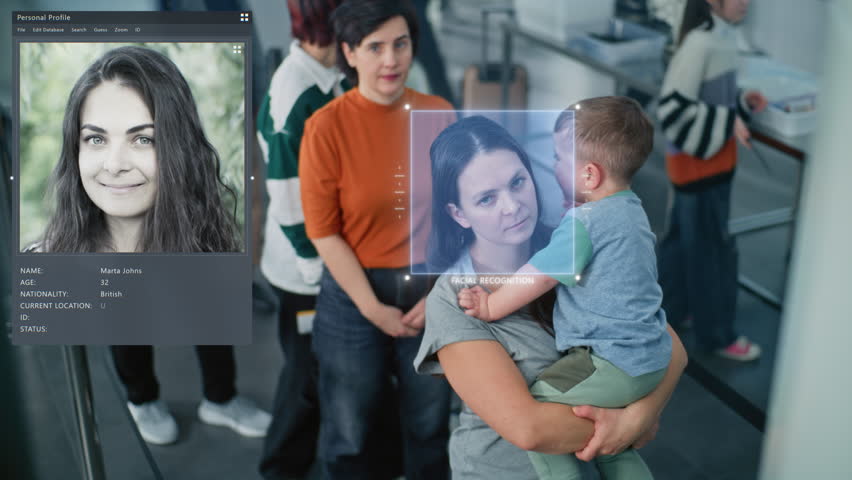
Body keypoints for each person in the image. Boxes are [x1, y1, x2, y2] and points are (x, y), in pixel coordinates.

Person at [415, 115, 688, 479]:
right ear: (459, 214)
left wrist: (637, 417)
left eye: (517, 182)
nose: (512, 206)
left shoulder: (573, 246)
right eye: (487, 198)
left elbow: (670, 345)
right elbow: (530, 429)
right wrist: (625, 425)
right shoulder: (454, 300)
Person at [39, 46, 269, 444]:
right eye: (96, 138)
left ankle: (221, 398)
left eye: (142, 138)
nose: (115, 163)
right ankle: (142, 399)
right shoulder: (77, 226)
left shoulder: (196, 202)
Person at [298, 1, 456, 478]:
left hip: (429, 286)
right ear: (349, 53)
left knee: (430, 425)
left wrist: (441, 293)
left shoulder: (440, 114)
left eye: (401, 45)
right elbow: (323, 231)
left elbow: (461, 216)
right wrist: (371, 307)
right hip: (354, 293)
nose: (391, 60)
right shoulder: (325, 127)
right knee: (350, 432)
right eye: (375, 47)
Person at [255, 1, 346, 477]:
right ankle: (281, 468)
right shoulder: (297, 92)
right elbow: (287, 196)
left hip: (324, 258)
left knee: (320, 368)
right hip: (303, 270)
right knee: (304, 374)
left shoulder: (331, 76)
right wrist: (317, 271)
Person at [656, 0, 767, 361]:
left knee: (681, 244)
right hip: (701, 168)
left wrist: (740, 103)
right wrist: (728, 119)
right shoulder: (701, 44)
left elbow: (709, 99)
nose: (745, 2)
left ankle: (673, 313)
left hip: (704, 165)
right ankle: (717, 335)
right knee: (712, 252)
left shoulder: (720, 39)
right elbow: (672, 111)